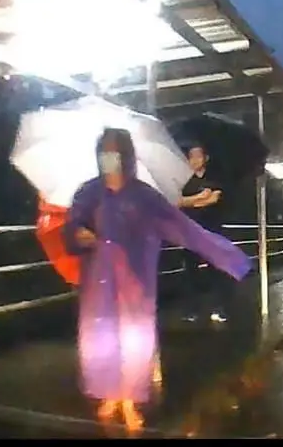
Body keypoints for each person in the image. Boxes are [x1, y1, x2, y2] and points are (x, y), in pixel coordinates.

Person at [63, 128, 251, 432]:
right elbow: (72, 225)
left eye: (115, 152)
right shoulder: (88, 193)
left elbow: (183, 228)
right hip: (98, 279)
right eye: (104, 152)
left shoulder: (144, 195)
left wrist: (229, 257)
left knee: (136, 339)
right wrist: (79, 234)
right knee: (101, 338)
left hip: (135, 279)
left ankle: (129, 399)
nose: (109, 159)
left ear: (126, 156)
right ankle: (110, 393)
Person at [177, 141, 234, 323]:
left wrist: (194, 201)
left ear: (206, 158)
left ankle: (219, 308)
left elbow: (214, 199)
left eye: (198, 155)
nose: (194, 160)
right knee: (190, 271)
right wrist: (199, 198)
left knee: (216, 270)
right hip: (190, 231)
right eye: (191, 156)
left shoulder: (215, 178)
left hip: (212, 230)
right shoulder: (183, 181)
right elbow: (177, 201)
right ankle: (191, 309)